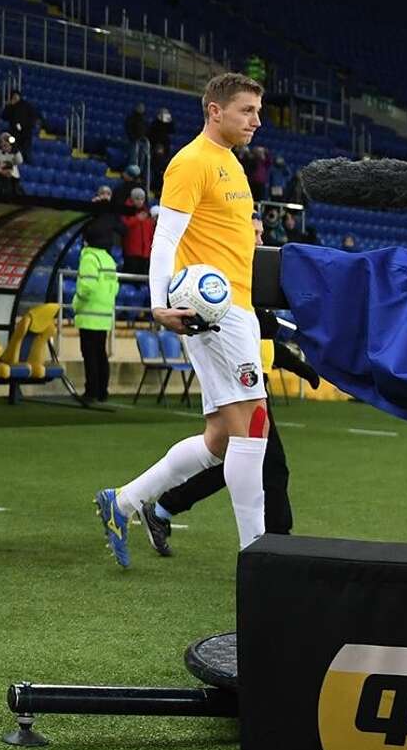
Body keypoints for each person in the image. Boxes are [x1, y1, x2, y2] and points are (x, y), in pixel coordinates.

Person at [94, 73, 270, 567]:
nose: (256, 121)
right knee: (253, 427)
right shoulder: (191, 161)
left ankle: (124, 501)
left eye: (257, 112)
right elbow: (165, 238)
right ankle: (257, 555)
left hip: (239, 309)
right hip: (216, 315)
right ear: (215, 110)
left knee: (220, 440)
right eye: (247, 111)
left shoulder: (230, 162)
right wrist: (157, 304)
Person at [140, 308, 311, 556]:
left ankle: (161, 510)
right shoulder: (237, 301)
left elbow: (268, 345)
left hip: (249, 381)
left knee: (234, 464)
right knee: (268, 464)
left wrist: (301, 367)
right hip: (240, 382)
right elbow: (255, 325)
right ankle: (277, 541)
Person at [74, 215, 118, 403]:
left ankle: (90, 391)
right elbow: (115, 287)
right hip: (104, 315)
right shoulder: (108, 259)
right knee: (100, 354)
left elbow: (86, 286)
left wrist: (76, 302)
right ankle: (102, 391)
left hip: (88, 314)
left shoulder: (89, 258)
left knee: (90, 355)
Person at [120, 188, 153, 276]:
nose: (140, 201)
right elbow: (124, 226)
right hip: (131, 253)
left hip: (145, 253)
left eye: (142, 199)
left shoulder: (146, 213)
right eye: (137, 199)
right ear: (132, 199)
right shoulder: (126, 210)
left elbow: (150, 233)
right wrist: (137, 219)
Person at [1, 88, 40, 155]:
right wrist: (9, 106)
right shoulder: (11, 106)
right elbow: (4, 117)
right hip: (14, 133)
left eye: (16, 96)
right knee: (13, 151)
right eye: (13, 96)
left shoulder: (27, 105)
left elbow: (33, 118)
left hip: (25, 133)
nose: (15, 98)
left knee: (25, 152)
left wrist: (25, 126)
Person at [0, 132, 23, 198]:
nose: (6, 145)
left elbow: (19, 161)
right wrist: (0, 148)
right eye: (4, 141)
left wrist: (15, 150)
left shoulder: (13, 152)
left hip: (11, 178)